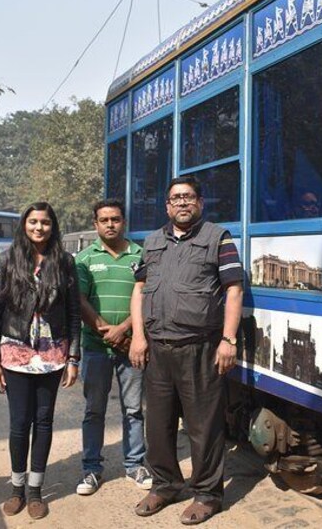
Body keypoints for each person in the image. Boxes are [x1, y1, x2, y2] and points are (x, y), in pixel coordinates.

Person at [130, 176, 244, 525]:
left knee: (204, 427)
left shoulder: (218, 238)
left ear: (200, 203)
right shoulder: (151, 242)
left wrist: (228, 340)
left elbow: (234, 290)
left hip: (199, 348)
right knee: (158, 425)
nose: (182, 203)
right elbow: (139, 289)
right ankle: (165, 485)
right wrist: (138, 335)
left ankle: (207, 494)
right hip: (158, 350)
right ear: (167, 206)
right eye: (175, 198)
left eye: (188, 197)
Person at [0, 202, 81, 520]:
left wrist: (73, 357)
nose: (39, 228)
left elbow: (73, 312)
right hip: (15, 352)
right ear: (24, 225)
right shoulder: (7, 260)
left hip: (53, 353)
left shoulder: (65, 262)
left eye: (46, 223)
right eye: (33, 222)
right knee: (18, 423)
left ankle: (37, 491)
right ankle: (17, 490)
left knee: (44, 421)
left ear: (53, 227)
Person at [74, 199, 151, 495]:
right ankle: (91, 469)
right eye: (104, 220)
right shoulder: (83, 258)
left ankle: (134, 464)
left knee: (133, 409)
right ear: (95, 224)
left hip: (131, 347)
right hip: (96, 348)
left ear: (124, 222)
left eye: (115, 219)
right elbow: (80, 301)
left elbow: (145, 298)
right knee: (94, 410)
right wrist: (106, 331)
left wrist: (123, 330)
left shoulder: (140, 255)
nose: (110, 224)